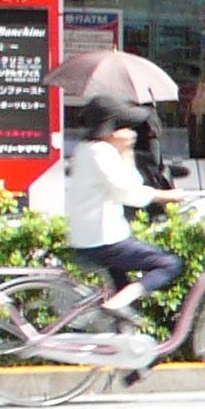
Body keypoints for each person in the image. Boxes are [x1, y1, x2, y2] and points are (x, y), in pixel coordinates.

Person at [63, 98, 180, 316]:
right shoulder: (101, 152)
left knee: (126, 304)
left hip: (88, 237)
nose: (128, 131)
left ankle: (119, 321)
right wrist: (167, 196)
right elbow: (129, 193)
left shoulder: (85, 149)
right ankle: (114, 305)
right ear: (111, 128)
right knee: (168, 264)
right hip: (102, 239)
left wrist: (125, 152)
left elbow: (128, 186)